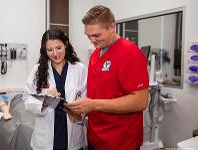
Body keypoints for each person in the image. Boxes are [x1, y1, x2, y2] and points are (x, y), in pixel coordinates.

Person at [64, 5, 149, 150]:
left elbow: (141, 101)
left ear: (111, 27)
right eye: (88, 36)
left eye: (96, 35)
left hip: (120, 143)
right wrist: (82, 110)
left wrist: (94, 104)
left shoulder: (130, 53)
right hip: (96, 138)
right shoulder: (95, 55)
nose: (92, 40)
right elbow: (99, 94)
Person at [23, 29, 87, 150]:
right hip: (45, 135)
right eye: (50, 50)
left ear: (66, 45)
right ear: (44, 50)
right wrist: (44, 101)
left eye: (58, 48)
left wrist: (78, 112)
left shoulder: (79, 68)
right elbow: (27, 98)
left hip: (72, 127)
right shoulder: (38, 70)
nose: (55, 53)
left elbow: (86, 97)